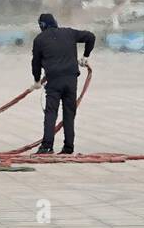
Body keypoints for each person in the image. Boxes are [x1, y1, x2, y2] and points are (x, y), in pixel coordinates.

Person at [31, 12, 96, 155]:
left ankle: (47, 147)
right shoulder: (69, 33)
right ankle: (68, 147)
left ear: (42, 26)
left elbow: (35, 63)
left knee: (51, 113)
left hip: (54, 81)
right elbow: (91, 37)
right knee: (69, 113)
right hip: (71, 80)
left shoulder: (39, 40)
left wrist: (36, 80)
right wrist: (85, 56)